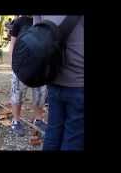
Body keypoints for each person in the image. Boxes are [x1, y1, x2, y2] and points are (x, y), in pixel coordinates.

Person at [33, 16, 84, 150]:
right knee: (74, 136)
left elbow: (37, 37)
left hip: (53, 78)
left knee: (53, 131)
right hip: (79, 81)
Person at [9, 15, 48, 136]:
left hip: (41, 66)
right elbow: (12, 44)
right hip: (22, 65)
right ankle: (15, 121)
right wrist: (13, 63)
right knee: (18, 93)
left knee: (40, 94)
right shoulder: (20, 21)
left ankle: (38, 119)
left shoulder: (46, 20)